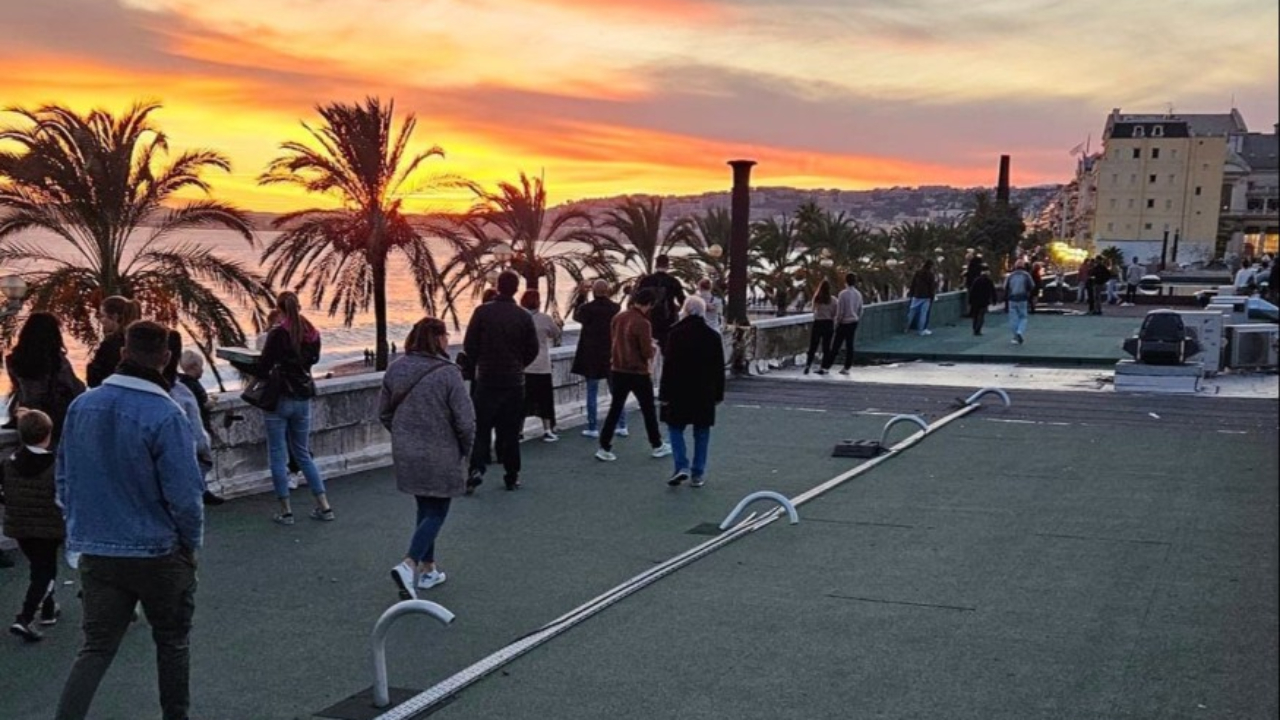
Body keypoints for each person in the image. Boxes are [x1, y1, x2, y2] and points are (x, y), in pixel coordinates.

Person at [54, 320, 204, 720]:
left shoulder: (82, 406)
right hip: (157, 551)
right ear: (166, 358)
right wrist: (189, 544)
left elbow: (65, 479)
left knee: (96, 648)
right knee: (172, 643)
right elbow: (186, 496)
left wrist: (80, 534)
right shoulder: (165, 413)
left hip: (98, 552)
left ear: (123, 351)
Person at [379, 317, 476, 599]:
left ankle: (429, 568)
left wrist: (403, 434)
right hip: (441, 450)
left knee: (424, 506)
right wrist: (467, 449)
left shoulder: (396, 369)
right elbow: (465, 420)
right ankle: (409, 563)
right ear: (438, 338)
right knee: (438, 510)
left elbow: (384, 412)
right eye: (445, 334)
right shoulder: (448, 373)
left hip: (407, 450)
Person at [235, 291, 331, 524]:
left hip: (279, 398)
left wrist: (237, 361)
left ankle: (286, 511)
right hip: (302, 397)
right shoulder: (312, 333)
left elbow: (264, 367)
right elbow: (313, 360)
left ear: (279, 309)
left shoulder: (279, 333)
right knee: (302, 453)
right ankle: (324, 506)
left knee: (277, 453)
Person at [464, 271, 539, 492]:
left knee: (482, 428)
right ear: (516, 289)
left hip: (487, 379)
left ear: (497, 286)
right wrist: (519, 365)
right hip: (514, 382)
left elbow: (470, 344)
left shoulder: (482, 312)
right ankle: (512, 474)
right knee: (510, 431)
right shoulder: (524, 316)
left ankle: (476, 468)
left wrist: (481, 362)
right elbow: (532, 349)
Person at [2, 409, 63, 643]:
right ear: (48, 434)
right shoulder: (55, 464)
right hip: (48, 526)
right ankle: (25, 617)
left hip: (19, 525)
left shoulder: (9, 463)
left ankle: (48, 609)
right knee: (45, 571)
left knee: (39, 566)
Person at [595, 288, 671, 463]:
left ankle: (604, 446)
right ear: (650, 304)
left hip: (617, 368)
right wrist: (653, 346)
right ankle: (657, 444)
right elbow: (646, 352)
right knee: (648, 409)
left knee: (615, 408)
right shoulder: (643, 323)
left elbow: (614, 339)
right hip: (637, 372)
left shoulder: (618, 317)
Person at [660, 297, 725, 488]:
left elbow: (668, 367)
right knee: (702, 431)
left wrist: (664, 394)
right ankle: (698, 473)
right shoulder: (713, 336)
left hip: (679, 390)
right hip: (704, 392)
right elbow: (718, 369)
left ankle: (681, 466)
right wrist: (718, 394)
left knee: (675, 428)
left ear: (685, 311)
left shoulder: (675, 334)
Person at [4, 312, 86, 444]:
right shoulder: (57, 361)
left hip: (26, 415)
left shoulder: (14, 360)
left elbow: (19, 389)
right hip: (54, 417)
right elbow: (75, 388)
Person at [165, 332, 223, 506]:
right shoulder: (188, 388)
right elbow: (202, 407)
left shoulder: (180, 384)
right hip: (197, 429)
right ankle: (201, 490)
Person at [571, 279, 627, 438]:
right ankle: (622, 424)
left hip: (591, 355)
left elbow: (576, 316)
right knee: (616, 392)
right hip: (611, 354)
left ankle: (593, 427)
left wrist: (581, 296)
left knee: (592, 392)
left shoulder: (587, 309)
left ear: (593, 291)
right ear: (607, 291)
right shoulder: (615, 308)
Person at [521, 289, 562, 442]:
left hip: (524, 365)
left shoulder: (519, 317)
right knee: (545, 400)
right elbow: (556, 333)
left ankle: (519, 431)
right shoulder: (545, 318)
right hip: (542, 365)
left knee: (522, 402)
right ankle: (547, 430)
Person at [85, 295, 141, 388]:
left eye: (103, 316)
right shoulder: (139, 341)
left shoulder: (110, 344)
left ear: (114, 317)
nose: (101, 321)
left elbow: (95, 379)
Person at [635, 254, 686, 350]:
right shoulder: (673, 281)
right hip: (668, 321)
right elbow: (683, 301)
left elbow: (637, 300)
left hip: (648, 318)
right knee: (666, 348)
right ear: (668, 265)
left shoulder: (645, 281)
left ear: (656, 265)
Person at [822, 273, 864, 375]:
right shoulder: (858, 294)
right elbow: (860, 309)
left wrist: (837, 322)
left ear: (846, 281)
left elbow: (840, 311)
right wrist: (857, 318)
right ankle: (847, 367)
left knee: (836, 345)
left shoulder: (842, 294)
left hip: (844, 322)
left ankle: (827, 367)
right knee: (850, 345)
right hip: (853, 322)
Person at [803, 280, 835, 375]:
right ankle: (824, 367)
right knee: (826, 347)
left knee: (813, 346)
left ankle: (808, 365)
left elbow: (813, 310)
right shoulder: (833, 300)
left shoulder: (817, 299)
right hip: (828, 323)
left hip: (818, 323)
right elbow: (836, 312)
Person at [1005, 260, 1035, 345]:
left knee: (1013, 318)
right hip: (1023, 298)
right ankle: (1020, 332)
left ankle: (1015, 336)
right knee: (1023, 317)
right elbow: (1032, 286)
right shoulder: (1026, 275)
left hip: (1012, 298)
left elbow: (1005, 287)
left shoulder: (1010, 276)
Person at [906, 260, 935, 336]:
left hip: (916, 295)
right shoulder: (930, 275)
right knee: (923, 314)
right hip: (926, 296)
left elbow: (913, 283)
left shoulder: (918, 273)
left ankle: (906, 327)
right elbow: (931, 287)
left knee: (911, 311)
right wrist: (932, 296)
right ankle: (921, 330)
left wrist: (911, 293)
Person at [968, 266, 996, 336]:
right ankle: (978, 329)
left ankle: (975, 328)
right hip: (984, 301)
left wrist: (970, 300)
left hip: (975, 301)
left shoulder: (976, 280)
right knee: (981, 316)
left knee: (975, 315)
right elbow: (993, 291)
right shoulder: (989, 281)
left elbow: (972, 291)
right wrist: (994, 300)